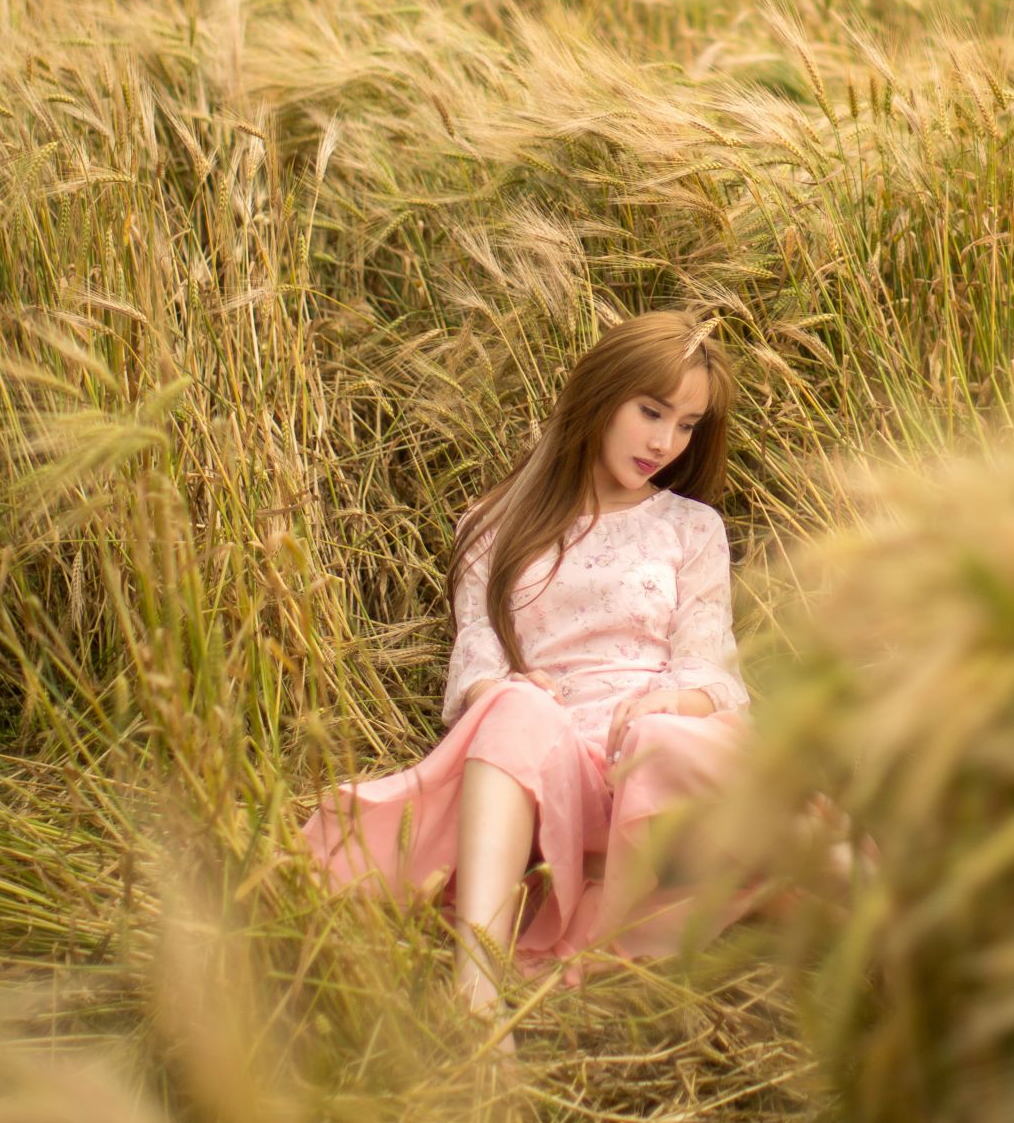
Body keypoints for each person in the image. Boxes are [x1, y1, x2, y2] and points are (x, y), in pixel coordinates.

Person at [298, 309, 762, 1036]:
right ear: (601, 393)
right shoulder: (494, 523)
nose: (664, 442)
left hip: (653, 744)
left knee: (669, 743)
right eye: (650, 411)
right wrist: (498, 689)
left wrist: (672, 700)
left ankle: (635, 880)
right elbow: (478, 643)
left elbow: (711, 658)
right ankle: (475, 997)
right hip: (550, 759)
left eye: (687, 424)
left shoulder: (689, 527)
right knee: (515, 704)